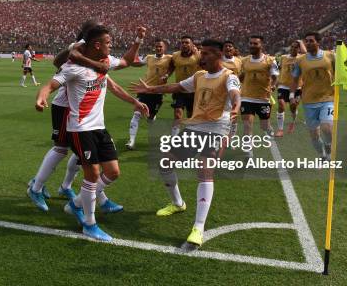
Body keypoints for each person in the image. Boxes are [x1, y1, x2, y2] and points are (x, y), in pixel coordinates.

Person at [35, 25, 149, 241]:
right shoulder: (73, 68)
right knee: (93, 174)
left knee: (113, 172)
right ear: (97, 45)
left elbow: (126, 61)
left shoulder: (105, 62)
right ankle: (89, 223)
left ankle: (76, 203)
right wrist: (41, 98)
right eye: (108, 42)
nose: (111, 45)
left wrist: (138, 40)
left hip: (99, 128)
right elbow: (50, 85)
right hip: (80, 129)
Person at [131, 39, 241, 249]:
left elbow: (235, 94)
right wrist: (151, 90)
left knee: (205, 171)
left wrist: (236, 107)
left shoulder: (230, 76)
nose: (202, 56)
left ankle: (198, 227)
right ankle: (178, 203)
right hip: (195, 127)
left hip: (217, 128)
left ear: (218, 55)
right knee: (165, 163)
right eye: (202, 52)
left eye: (208, 53)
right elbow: (178, 86)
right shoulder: (200, 75)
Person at [291, 31, 347, 161]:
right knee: (314, 136)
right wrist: (292, 96)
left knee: (327, 127)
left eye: (311, 41)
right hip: (309, 101)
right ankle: (323, 155)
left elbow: (343, 76)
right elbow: (294, 80)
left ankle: (329, 147)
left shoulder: (331, 56)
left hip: (328, 99)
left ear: (318, 42)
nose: (308, 43)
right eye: (307, 41)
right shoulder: (300, 60)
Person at [126, 39, 172, 150]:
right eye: (157, 46)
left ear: (164, 48)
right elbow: (137, 63)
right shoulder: (149, 57)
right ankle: (131, 141)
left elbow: (173, 67)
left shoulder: (170, 58)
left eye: (160, 47)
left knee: (150, 118)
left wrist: (167, 75)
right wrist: (130, 58)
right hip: (144, 90)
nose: (158, 48)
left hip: (158, 92)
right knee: (137, 113)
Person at [239, 35, 279, 156]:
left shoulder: (270, 60)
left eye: (255, 44)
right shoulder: (244, 60)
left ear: (261, 45)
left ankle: (269, 129)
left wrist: (273, 85)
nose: (252, 45)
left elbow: (275, 76)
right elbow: (241, 76)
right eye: (251, 43)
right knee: (247, 123)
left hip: (263, 98)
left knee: (264, 126)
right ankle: (248, 151)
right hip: (246, 97)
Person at [166, 36, 200, 136]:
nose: (184, 45)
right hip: (179, 89)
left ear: (192, 45)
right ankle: (174, 139)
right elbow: (171, 66)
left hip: (193, 91)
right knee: (177, 115)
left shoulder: (198, 56)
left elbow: (205, 67)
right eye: (182, 43)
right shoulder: (175, 55)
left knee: (191, 116)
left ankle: (190, 137)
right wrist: (167, 74)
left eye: (187, 43)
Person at [275, 40, 306, 137]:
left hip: (297, 87)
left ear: (299, 48)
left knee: (293, 107)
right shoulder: (283, 58)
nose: (293, 49)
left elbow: (306, 53)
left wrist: (301, 42)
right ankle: (280, 129)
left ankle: (293, 121)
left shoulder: (301, 58)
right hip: (283, 86)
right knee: (281, 105)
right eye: (292, 46)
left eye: (296, 47)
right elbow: (279, 70)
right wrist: (275, 82)